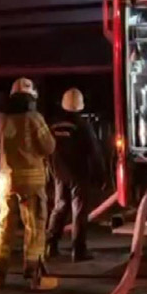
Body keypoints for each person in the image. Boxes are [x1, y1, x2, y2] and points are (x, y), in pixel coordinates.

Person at [0, 77, 56, 290]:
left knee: (4, 225)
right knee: (35, 225)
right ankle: (33, 271)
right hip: (31, 181)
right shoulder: (34, 118)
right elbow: (48, 146)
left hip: (6, 180)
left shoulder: (1, 119)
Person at [46, 88, 106, 262]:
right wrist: (101, 176)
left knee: (59, 207)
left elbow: (47, 149)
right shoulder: (82, 125)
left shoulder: (53, 126)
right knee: (79, 211)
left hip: (59, 173)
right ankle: (78, 251)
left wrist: (51, 171)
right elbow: (94, 152)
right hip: (79, 173)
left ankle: (50, 245)